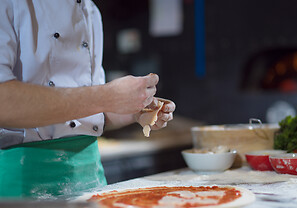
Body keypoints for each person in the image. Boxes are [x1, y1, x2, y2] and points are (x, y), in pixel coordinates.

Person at [0, 0, 175, 198]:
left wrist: (134, 110)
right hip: (23, 184)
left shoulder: (90, 10)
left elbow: (88, 113)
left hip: (91, 180)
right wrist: (108, 95)